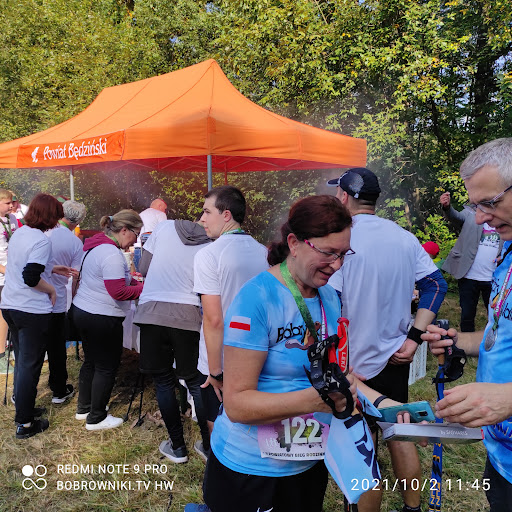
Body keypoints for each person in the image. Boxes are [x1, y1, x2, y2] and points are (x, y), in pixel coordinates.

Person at [201, 195, 401, 512]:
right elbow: (237, 404)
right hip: (251, 468)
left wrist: (386, 405)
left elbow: (334, 375)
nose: (337, 265)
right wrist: (315, 400)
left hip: (307, 459)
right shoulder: (256, 298)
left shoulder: (329, 297)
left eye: (343, 254)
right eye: (328, 253)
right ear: (294, 243)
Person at [327, 168, 447, 512]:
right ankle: (413, 508)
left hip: (352, 365)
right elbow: (435, 285)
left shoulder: (341, 240)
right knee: (399, 430)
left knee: (360, 447)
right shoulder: (404, 237)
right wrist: (413, 338)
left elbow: (331, 302)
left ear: (344, 196)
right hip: (394, 355)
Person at [423, 138, 512, 511]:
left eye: (489, 203)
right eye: (476, 206)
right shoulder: (507, 254)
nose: (478, 218)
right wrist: (459, 340)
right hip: (502, 456)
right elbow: (499, 334)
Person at [134, 218, 212, 464]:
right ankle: (209, 447)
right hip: (188, 315)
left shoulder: (163, 227)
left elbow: (143, 268)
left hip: (152, 311)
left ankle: (177, 447)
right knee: (196, 382)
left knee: (163, 381)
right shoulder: (212, 241)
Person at [193, 185, 268, 437]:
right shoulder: (263, 252)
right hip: (257, 355)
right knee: (253, 428)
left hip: (222, 360)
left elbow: (214, 319)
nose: (201, 219)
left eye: (207, 212)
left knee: (218, 430)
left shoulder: (208, 255)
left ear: (226, 215)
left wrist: (216, 372)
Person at [0, 193, 73, 439]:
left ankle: (25, 407)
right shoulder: (42, 241)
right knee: (30, 366)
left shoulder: (21, 232)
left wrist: (53, 268)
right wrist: (51, 289)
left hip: (10, 305)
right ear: (49, 216)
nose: (57, 223)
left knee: (23, 361)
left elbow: (21, 263)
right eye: (56, 217)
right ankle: (25, 423)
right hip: (30, 310)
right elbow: (31, 277)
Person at [70, 209, 143, 431]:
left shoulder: (96, 246)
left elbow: (115, 281)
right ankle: (97, 417)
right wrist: (146, 289)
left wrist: (135, 283)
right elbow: (118, 291)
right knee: (106, 366)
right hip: (101, 317)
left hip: (83, 311)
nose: (136, 240)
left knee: (91, 362)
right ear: (124, 230)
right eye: (136, 233)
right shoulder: (111, 254)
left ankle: (84, 408)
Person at [440, 191, 502, 332]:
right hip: (468, 275)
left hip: (494, 277)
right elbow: (456, 217)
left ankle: (495, 340)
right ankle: (466, 341)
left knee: (496, 315)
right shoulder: (473, 212)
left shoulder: (504, 217)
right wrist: (447, 207)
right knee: (467, 315)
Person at [45, 200, 86, 404]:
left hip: (33, 296)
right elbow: (76, 276)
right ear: (78, 221)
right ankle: (59, 390)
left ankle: (22, 393)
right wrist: (75, 298)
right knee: (56, 347)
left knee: (31, 349)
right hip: (58, 299)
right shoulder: (75, 242)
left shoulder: (42, 231)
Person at [0, 188, 17, 375]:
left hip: (12, 274)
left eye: (12, 202)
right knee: (2, 316)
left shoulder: (12, 219)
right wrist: (6, 271)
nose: (11, 206)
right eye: (7, 203)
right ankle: (1, 356)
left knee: (9, 314)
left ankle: (10, 348)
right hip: (3, 275)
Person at [133, 198, 168, 271]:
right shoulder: (160, 214)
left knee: (138, 275)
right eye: (165, 209)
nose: (165, 211)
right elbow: (164, 232)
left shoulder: (140, 215)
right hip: (151, 251)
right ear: (160, 206)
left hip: (137, 249)